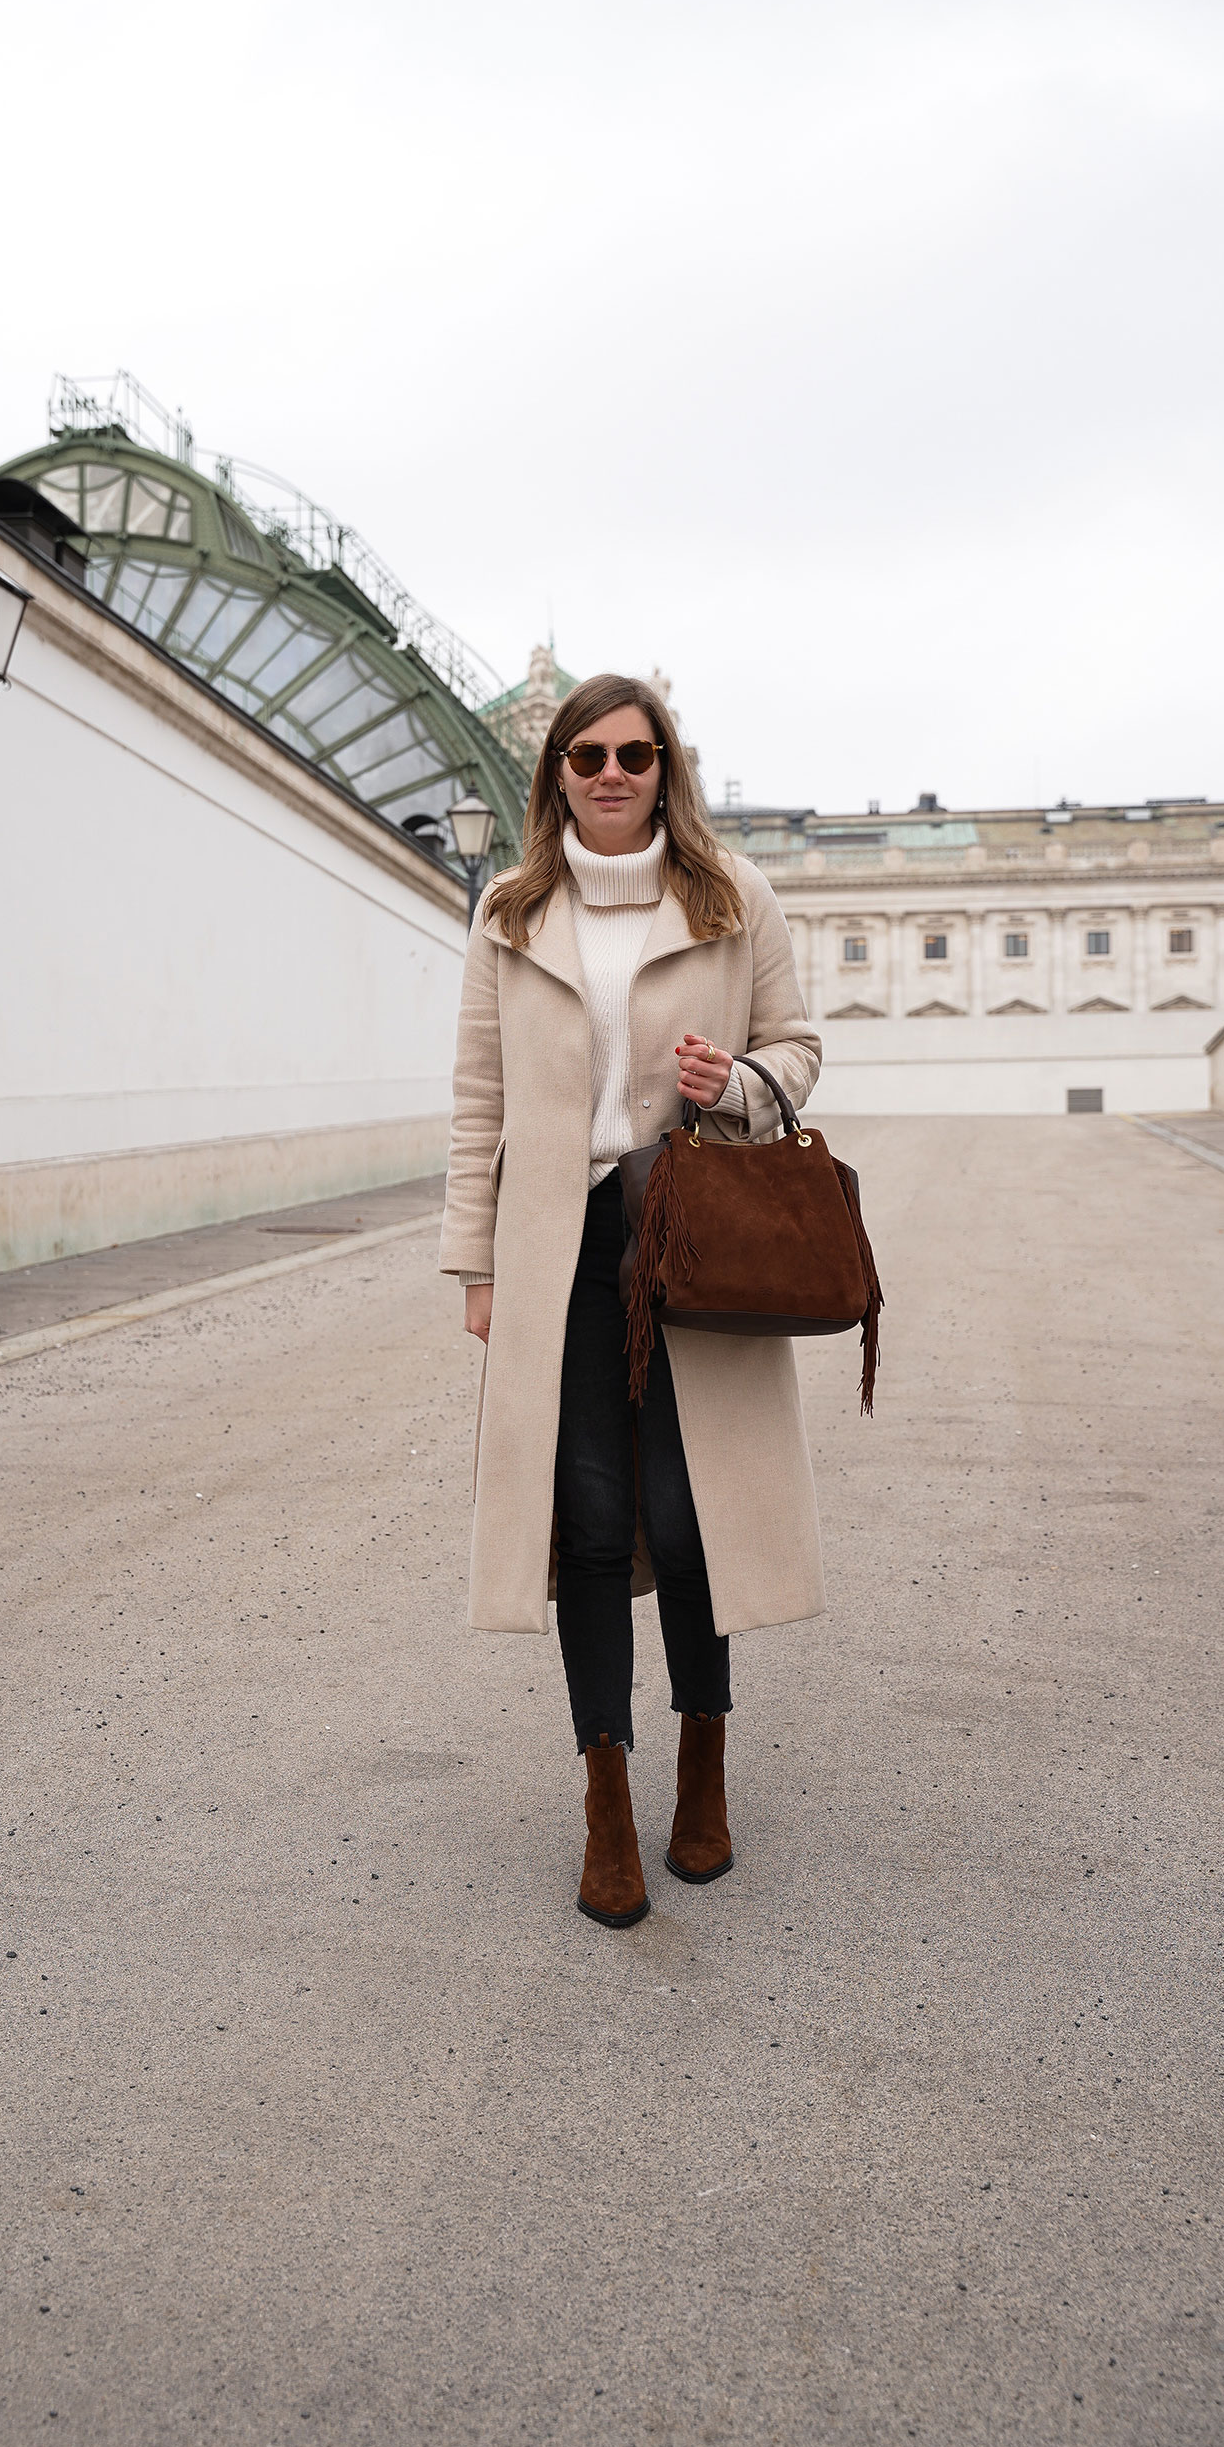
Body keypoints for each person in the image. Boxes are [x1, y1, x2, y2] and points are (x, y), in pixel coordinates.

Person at [439, 673, 825, 1928]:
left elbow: (802, 1048)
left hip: (691, 1231)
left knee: (693, 1506)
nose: (610, 774)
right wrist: (477, 1267)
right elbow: (477, 1105)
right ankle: (605, 1795)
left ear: (668, 768)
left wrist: (741, 1078)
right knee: (591, 1521)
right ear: (553, 770)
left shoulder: (730, 896)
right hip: (560, 1245)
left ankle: (699, 1766)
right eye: (586, 754)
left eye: (635, 753)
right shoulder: (509, 911)